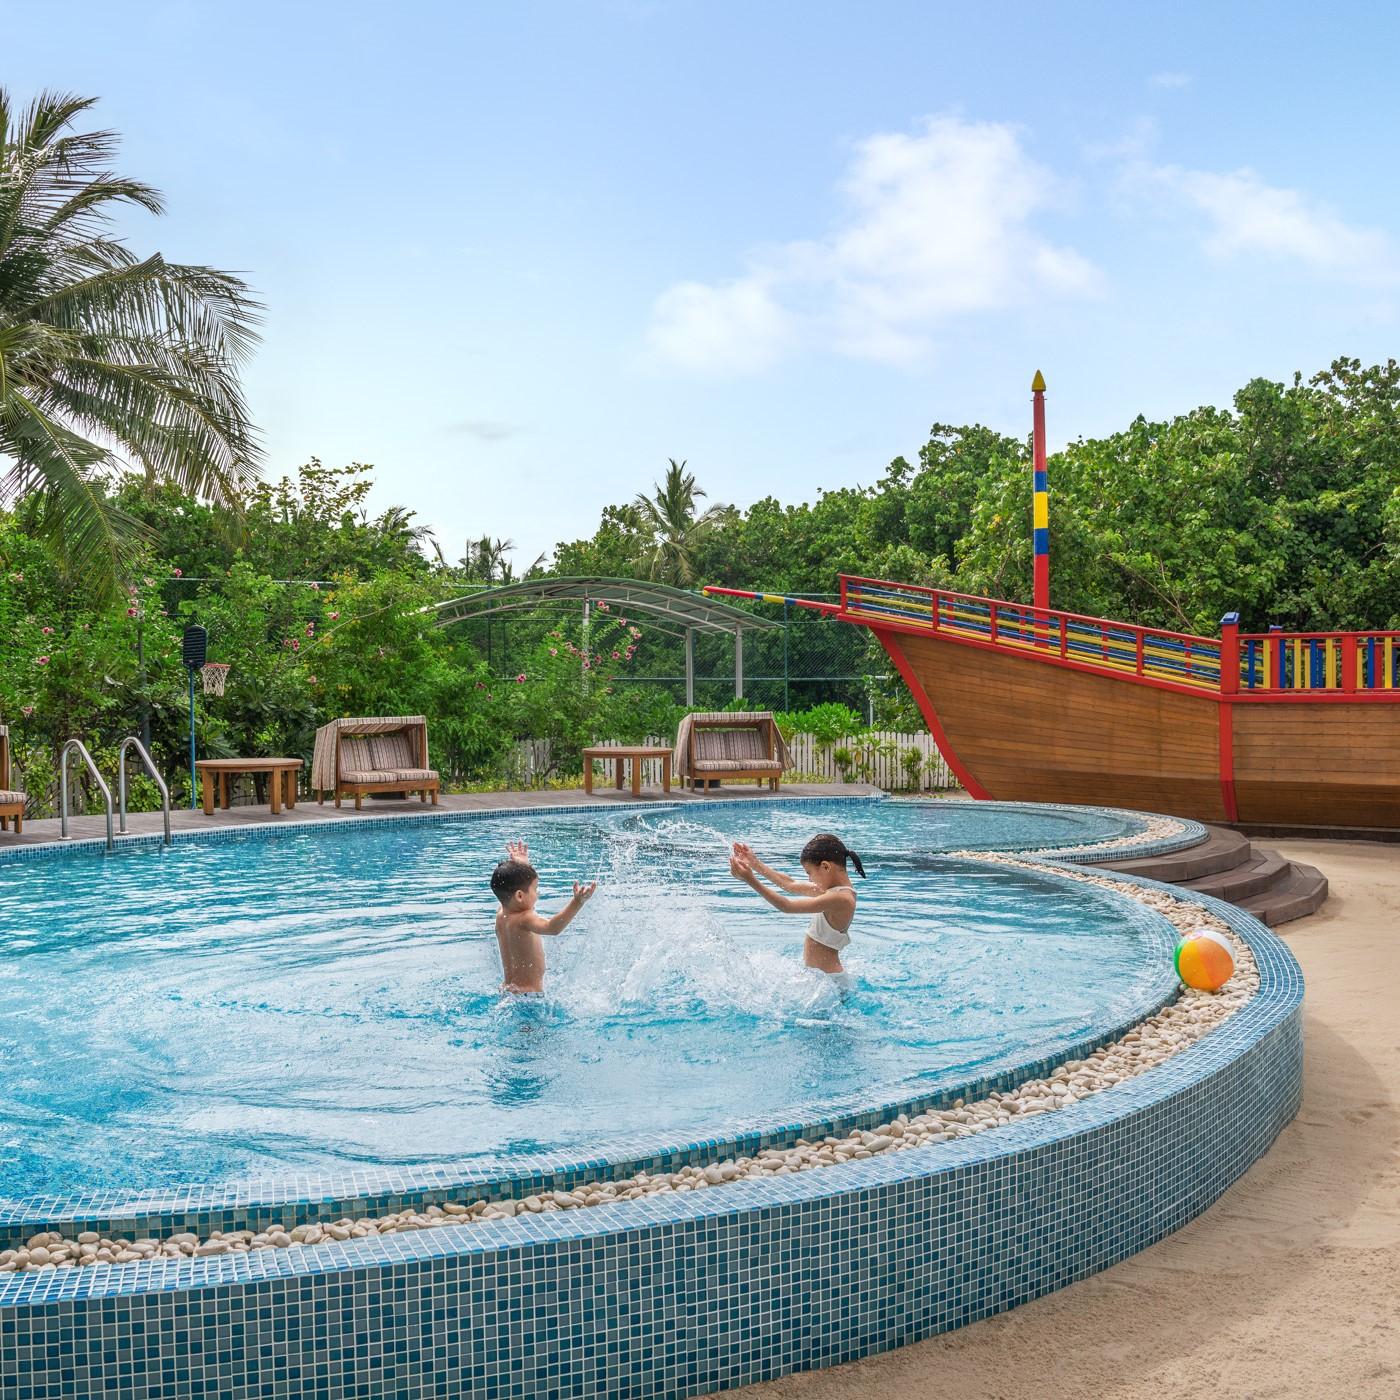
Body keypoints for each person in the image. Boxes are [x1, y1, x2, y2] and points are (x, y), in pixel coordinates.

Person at [728, 832, 866, 974]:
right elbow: (790, 884)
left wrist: (750, 880)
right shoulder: (831, 890)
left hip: (831, 980)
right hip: (820, 977)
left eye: (809, 872)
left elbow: (787, 906)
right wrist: (755, 863)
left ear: (825, 867)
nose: (810, 880)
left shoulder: (841, 898)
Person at [490, 839, 596, 994]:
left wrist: (523, 866)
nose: (538, 893)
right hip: (530, 997)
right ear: (520, 895)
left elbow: (510, 889)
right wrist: (577, 902)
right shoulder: (525, 919)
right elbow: (553, 928)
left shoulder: (501, 915)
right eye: (535, 888)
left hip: (507, 991)